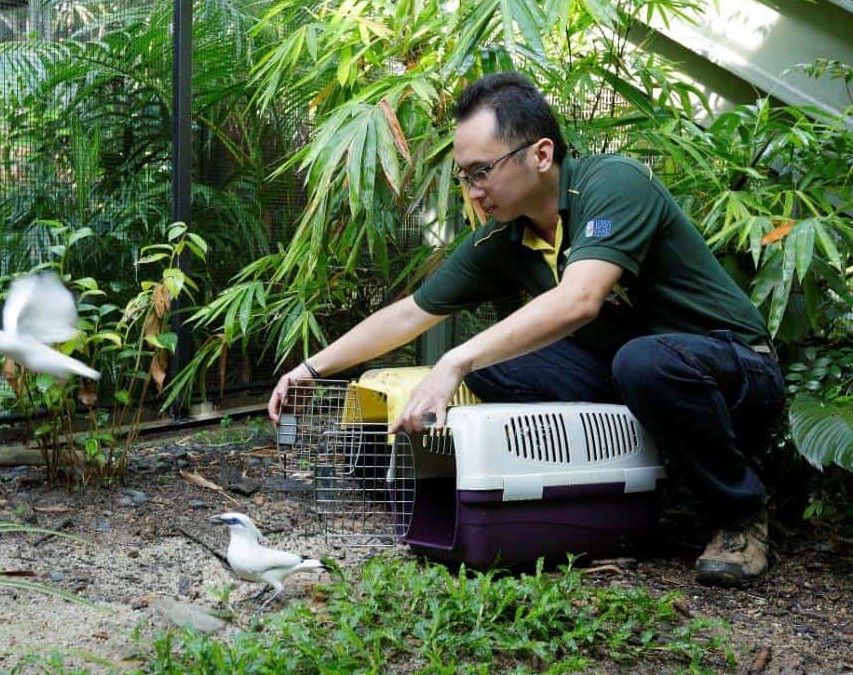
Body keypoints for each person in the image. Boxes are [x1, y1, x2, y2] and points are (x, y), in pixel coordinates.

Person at [267, 72, 786, 586]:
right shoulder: (506, 239)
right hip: (635, 373)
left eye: (480, 173)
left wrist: (454, 361)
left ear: (540, 155)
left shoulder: (613, 184)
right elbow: (410, 314)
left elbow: (579, 300)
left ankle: (741, 515)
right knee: (499, 369)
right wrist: (311, 369)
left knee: (640, 362)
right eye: (464, 178)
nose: (472, 192)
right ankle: (620, 487)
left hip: (735, 367)